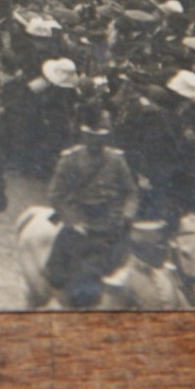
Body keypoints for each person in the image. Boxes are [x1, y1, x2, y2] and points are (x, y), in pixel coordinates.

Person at [46, 116, 141, 308]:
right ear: (84, 136)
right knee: (58, 270)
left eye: (101, 137)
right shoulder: (70, 160)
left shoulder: (116, 160)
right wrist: (73, 221)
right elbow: (56, 195)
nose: (96, 143)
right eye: (92, 137)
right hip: (82, 222)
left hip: (111, 223)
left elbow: (131, 192)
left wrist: (127, 214)